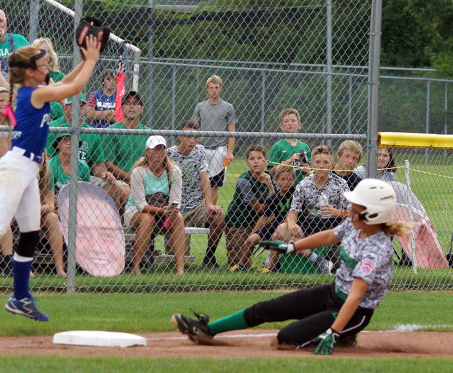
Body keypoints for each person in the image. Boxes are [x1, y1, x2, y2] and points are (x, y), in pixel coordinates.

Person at [172, 178, 415, 355]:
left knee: (286, 339)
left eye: (357, 206)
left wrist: (335, 332)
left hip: (354, 312)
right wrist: (292, 247)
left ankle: (344, 337)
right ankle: (207, 329)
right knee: (266, 308)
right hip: (332, 293)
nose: (350, 209)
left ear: (372, 214)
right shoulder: (355, 225)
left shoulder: (377, 249)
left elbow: (355, 297)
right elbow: (329, 236)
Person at [0, 35, 101, 321]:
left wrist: (85, 60)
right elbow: (73, 87)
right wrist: (92, 60)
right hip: (16, 166)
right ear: (30, 70)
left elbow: (64, 83)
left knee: (31, 232)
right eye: (41, 63)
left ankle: (20, 296)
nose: (47, 66)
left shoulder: (36, 88)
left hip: (30, 169)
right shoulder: (30, 92)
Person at [274, 145, 350, 274]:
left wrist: (336, 212)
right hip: (310, 223)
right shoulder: (304, 184)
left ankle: (334, 258)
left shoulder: (341, 183)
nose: (321, 166)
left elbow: (351, 213)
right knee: (281, 229)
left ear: (332, 165)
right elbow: (293, 212)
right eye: (318, 162)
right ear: (311, 164)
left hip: (333, 224)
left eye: (325, 162)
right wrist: (292, 223)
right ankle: (318, 260)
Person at [166, 120, 226, 268]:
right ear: (180, 136)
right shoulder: (170, 153)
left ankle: (209, 256)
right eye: (188, 136)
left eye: (196, 137)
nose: (192, 140)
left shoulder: (200, 151)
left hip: (196, 206)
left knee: (218, 218)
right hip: (176, 208)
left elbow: (204, 177)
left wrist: (209, 204)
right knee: (178, 260)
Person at [125, 135, 185, 275]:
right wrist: (161, 211)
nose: (159, 152)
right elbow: (141, 205)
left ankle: (180, 269)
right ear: (147, 152)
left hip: (163, 210)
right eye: (155, 149)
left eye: (162, 149)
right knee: (147, 218)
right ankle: (136, 268)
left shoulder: (174, 171)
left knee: (179, 218)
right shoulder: (138, 172)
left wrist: (171, 211)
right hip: (136, 211)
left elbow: (175, 200)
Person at [235, 165, 297, 273]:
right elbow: (265, 217)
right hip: (274, 224)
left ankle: (270, 267)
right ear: (276, 180)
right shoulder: (274, 197)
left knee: (275, 236)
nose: (286, 182)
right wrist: (254, 233)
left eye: (289, 179)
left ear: (294, 180)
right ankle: (241, 265)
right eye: (282, 179)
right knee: (251, 240)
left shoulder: (296, 195)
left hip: (289, 226)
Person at [224, 145, 274, 270]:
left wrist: (271, 187)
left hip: (260, 220)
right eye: (252, 159)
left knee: (276, 222)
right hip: (240, 221)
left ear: (266, 160)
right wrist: (273, 206)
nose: (256, 161)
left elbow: (277, 205)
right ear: (247, 162)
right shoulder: (244, 180)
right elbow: (261, 209)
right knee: (240, 265)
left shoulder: (272, 178)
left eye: (259, 158)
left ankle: (272, 261)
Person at [102, 90, 150, 214]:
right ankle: (124, 225)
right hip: (120, 180)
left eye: (136, 103)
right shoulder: (112, 131)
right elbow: (108, 163)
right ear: (122, 108)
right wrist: (130, 178)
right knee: (125, 190)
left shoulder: (148, 133)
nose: (132, 106)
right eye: (128, 103)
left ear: (142, 109)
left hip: (146, 180)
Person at [192, 75, 237, 205]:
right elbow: (194, 128)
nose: (214, 90)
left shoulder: (228, 107)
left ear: (221, 89)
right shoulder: (200, 106)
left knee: (214, 183)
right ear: (207, 89)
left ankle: (211, 214)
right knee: (200, 181)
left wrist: (229, 151)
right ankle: (199, 210)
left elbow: (232, 131)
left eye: (217, 87)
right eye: (211, 88)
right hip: (202, 147)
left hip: (220, 148)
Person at [37, 153, 66, 276]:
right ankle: (26, 267)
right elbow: (22, 207)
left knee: (53, 218)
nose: (38, 160)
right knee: (27, 219)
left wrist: (37, 209)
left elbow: (50, 205)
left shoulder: (47, 173)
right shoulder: (20, 173)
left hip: (37, 212)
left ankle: (60, 269)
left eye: (40, 157)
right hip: (17, 216)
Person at [268, 108, 311, 185]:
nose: (290, 124)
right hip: (282, 188)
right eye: (286, 121)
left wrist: (307, 170)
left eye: (293, 121)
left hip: (300, 187)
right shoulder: (277, 146)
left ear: (299, 125)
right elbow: (271, 170)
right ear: (281, 126)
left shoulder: (305, 147)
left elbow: (310, 169)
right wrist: (290, 160)